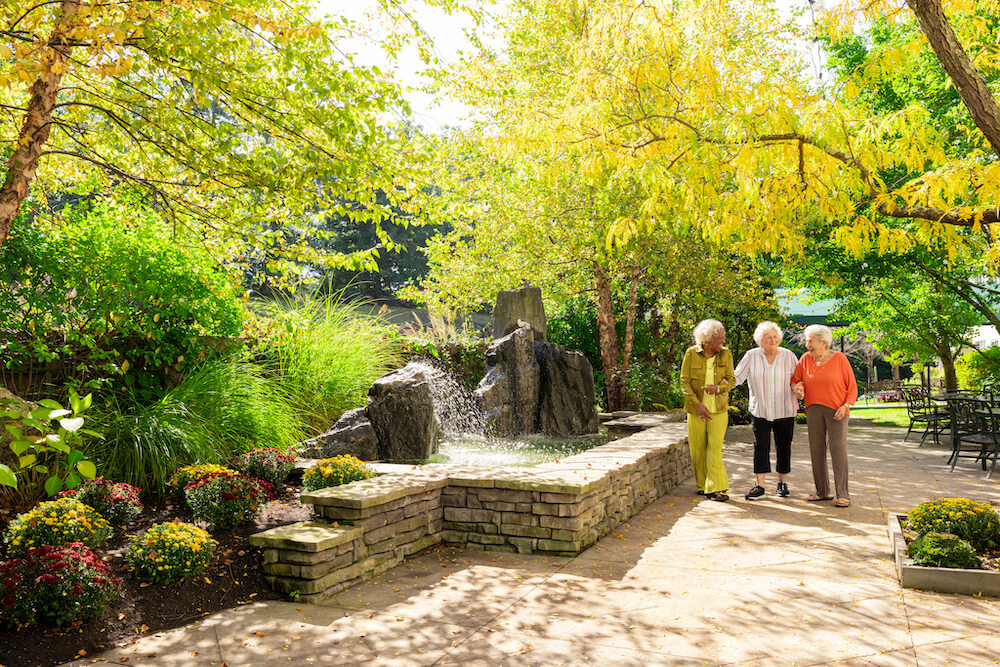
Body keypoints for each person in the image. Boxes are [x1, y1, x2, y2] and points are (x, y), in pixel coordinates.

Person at [791, 324, 858, 508]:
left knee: (838, 451)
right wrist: (798, 387)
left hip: (837, 410)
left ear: (823, 342)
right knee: (816, 450)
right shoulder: (805, 359)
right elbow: (796, 380)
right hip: (813, 409)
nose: (807, 345)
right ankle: (822, 491)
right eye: (807, 341)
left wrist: (845, 406)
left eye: (810, 341)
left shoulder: (840, 359)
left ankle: (843, 494)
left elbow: (852, 387)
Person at [734, 321, 799, 501]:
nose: (772, 339)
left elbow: (799, 379)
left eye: (775, 336)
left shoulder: (789, 356)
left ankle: (782, 483)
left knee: (783, 447)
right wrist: (719, 385)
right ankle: (760, 485)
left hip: (785, 409)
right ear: (760, 340)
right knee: (760, 446)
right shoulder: (751, 355)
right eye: (768, 337)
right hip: (760, 410)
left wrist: (799, 389)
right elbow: (737, 377)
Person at [680, 319, 735, 502]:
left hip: (718, 410)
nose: (723, 342)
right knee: (698, 450)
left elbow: (732, 380)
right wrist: (697, 404)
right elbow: (684, 382)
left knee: (715, 449)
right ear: (708, 339)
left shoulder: (726, 355)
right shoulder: (691, 353)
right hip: (696, 410)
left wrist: (719, 388)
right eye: (720, 339)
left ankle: (716, 488)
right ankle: (703, 485)